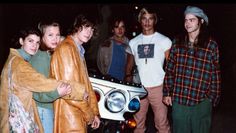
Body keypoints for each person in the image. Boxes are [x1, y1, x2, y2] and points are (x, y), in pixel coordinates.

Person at [0, 27, 72, 132]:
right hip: (18, 121)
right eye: (30, 41)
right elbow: (42, 82)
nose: (35, 46)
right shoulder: (20, 65)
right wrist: (78, 90)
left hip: (11, 119)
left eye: (37, 42)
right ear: (21, 41)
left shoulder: (14, 59)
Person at [163, 6, 221, 133]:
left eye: (192, 20)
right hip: (179, 99)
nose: (187, 23)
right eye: (186, 20)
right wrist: (167, 92)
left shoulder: (211, 45)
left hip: (201, 100)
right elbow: (170, 68)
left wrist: (212, 98)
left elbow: (215, 74)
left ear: (201, 21)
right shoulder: (177, 42)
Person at [30, 20, 87, 133]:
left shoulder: (50, 54)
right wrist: (57, 93)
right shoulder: (40, 58)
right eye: (50, 35)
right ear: (42, 37)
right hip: (43, 109)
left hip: (48, 108)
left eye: (57, 35)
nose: (55, 39)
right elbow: (37, 91)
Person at [50, 14, 100, 133]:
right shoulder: (67, 49)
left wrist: (95, 112)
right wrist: (90, 115)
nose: (89, 32)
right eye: (86, 27)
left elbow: (87, 85)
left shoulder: (78, 50)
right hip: (69, 116)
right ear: (77, 26)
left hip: (76, 114)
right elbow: (70, 90)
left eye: (92, 29)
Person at [128, 7, 171, 133]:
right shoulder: (133, 42)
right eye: (144, 19)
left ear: (155, 20)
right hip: (139, 89)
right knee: (137, 124)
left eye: (150, 19)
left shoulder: (164, 40)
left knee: (162, 124)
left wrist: (169, 89)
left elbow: (171, 67)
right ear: (140, 21)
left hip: (159, 87)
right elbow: (129, 66)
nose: (147, 22)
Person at [97, 16, 132, 81]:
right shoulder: (105, 45)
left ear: (125, 29)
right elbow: (100, 64)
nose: (120, 30)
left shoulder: (131, 45)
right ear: (112, 29)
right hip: (107, 81)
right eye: (117, 27)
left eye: (122, 27)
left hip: (124, 83)